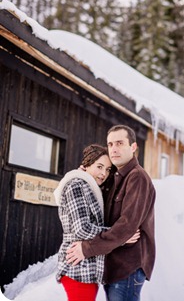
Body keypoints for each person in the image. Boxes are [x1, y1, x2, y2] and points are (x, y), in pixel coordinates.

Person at [66, 125, 156, 301]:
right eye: (110, 144)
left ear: (133, 147)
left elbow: (127, 225)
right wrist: (87, 175)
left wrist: (88, 248)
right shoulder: (114, 176)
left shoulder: (136, 177)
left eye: (120, 143)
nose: (114, 149)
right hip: (113, 265)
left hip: (128, 266)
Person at [54, 143, 139, 301]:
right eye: (99, 167)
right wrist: (120, 235)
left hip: (86, 268)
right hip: (77, 267)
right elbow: (82, 228)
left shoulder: (91, 188)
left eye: (107, 169)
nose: (103, 174)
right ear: (86, 165)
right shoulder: (76, 185)